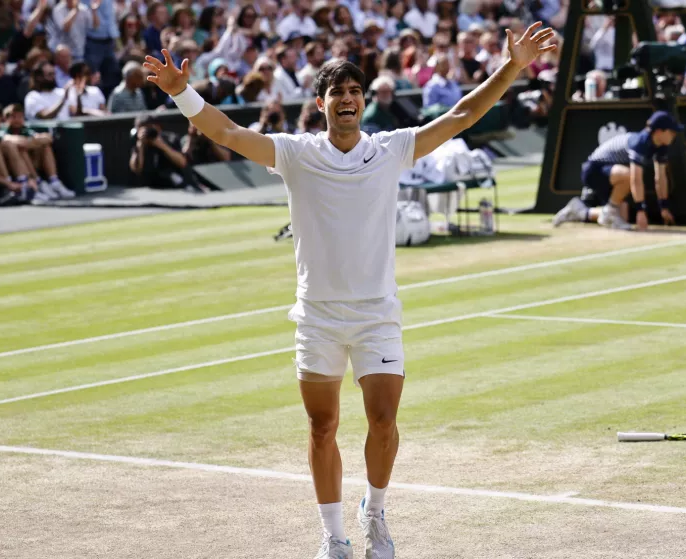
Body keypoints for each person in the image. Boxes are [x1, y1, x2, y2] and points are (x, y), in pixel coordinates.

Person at [143, 21, 557, 559]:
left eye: (355, 92)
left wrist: (514, 66)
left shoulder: (390, 149)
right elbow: (225, 132)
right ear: (321, 103)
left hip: (376, 315)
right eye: (337, 92)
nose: (348, 99)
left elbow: (462, 115)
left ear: (363, 104)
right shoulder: (294, 153)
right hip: (317, 317)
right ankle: (333, 536)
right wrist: (181, 92)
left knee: (383, 421)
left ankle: (376, 514)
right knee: (322, 428)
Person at [552, 111, 682, 231]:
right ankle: (608, 211)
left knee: (622, 218)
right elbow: (635, 179)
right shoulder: (639, 143)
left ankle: (578, 211)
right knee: (629, 176)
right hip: (594, 171)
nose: (674, 135)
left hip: (614, 175)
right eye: (672, 132)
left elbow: (660, 178)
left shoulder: (661, 147)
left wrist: (664, 207)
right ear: (659, 132)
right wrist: (641, 211)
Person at [1, 103, 76, 199]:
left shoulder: (26, 130)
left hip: (32, 164)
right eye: (13, 117)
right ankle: (36, 183)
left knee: (45, 147)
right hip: (13, 169)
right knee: (22, 149)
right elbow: (16, 141)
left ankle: (54, 182)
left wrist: (31, 142)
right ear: (6, 119)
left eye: (20, 117)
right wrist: (32, 142)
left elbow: (47, 138)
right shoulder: (3, 130)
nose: (17, 120)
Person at [129, 112, 193, 190]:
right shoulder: (137, 142)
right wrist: (141, 146)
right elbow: (136, 169)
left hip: (173, 185)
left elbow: (183, 163)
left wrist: (161, 145)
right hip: (148, 188)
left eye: (149, 128)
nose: (146, 132)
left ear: (158, 127)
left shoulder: (170, 138)